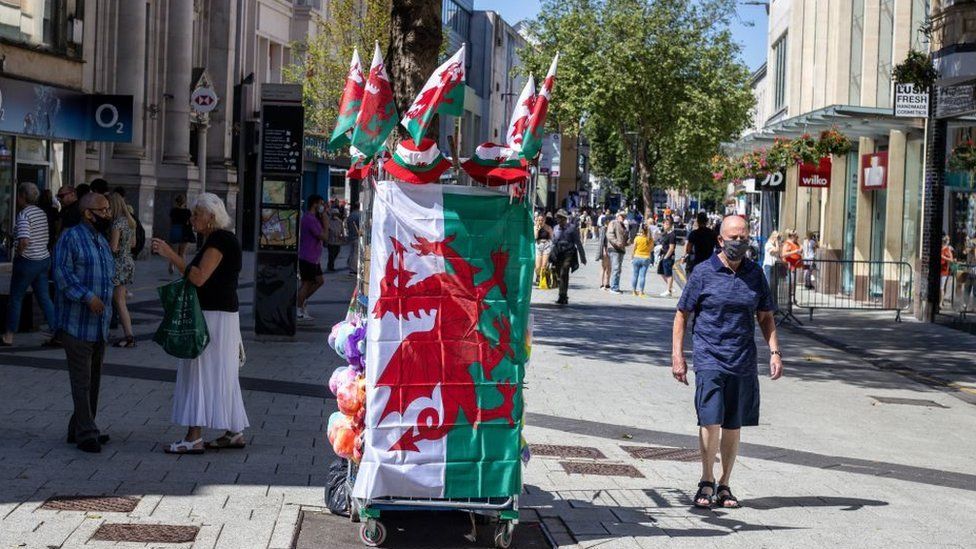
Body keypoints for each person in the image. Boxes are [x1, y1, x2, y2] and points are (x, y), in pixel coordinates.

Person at [671, 215, 783, 510]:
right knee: (710, 419)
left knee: (733, 424)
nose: (739, 242)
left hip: (743, 359)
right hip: (709, 357)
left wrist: (774, 352)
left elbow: (766, 316)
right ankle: (706, 479)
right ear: (720, 240)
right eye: (733, 237)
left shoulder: (755, 274)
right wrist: (678, 355)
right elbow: (682, 314)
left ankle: (724, 483)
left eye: (744, 237)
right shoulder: (703, 273)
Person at [151, 193, 249, 454]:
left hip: (212, 314)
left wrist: (171, 255)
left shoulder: (218, 240)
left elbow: (198, 277)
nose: (192, 219)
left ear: (211, 217)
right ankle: (233, 431)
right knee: (222, 371)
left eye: (197, 214)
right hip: (223, 313)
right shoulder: (221, 239)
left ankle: (193, 437)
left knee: (199, 370)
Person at [54, 192, 115, 453]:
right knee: (81, 380)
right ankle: (87, 433)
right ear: (88, 213)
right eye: (103, 210)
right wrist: (88, 297)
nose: (108, 214)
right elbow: (62, 274)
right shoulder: (70, 237)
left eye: (109, 209)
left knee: (93, 380)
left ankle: (78, 428)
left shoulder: (100, 240)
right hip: (77, 323)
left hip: (99, 325)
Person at [2, 183, 57, 347]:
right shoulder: (41, 213)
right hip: (43, 259)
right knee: (44, 297)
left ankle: (9, 335)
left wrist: (19, 251)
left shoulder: (24, 214)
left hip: (28, 261)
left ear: (22, 197)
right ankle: (57, 331)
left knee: (16, 298)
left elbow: (25, 240)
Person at [107, 192, 136, 348]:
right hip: (128, 262)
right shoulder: (129, 222)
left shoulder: (117, 224)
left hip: (117, 263)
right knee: (119, 300)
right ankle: (128, 335)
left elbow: (113, 247)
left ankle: (129, 336)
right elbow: (133, 244)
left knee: (118, 301)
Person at [298, 195, 328, 321]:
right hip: (307, 256)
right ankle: (298, 307)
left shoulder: (315, 218)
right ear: (315, 204)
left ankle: (300, 300)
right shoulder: (309, 219)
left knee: (319, 280)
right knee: (307, 282)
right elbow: (323, 236)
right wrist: (326, 224)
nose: (323, 206)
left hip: (314, 257)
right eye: (321, 203)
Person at [551, 210, 586, 305]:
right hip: (558, 253)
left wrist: (583, 257)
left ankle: (563, 296)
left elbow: (578, 242)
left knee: (564, 273)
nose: (559, 220)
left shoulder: (572, 228)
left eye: (560, 218)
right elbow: (553, 242)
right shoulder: (555, 228)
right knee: (558, 274)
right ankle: (562, 293)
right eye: (558, 218)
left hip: (568, 253)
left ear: (565, 219)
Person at [684, 212, 718, 277]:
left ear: (697, 221)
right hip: (709, 262)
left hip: (696, 262)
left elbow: (688, 249)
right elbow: (717, 247)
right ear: (706, 221)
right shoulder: (713, 233)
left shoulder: (693, 234)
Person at [168, 195, 193, 276]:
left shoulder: (173, 211)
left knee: (174, 251)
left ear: (176, 202)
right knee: (182, 253)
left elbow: (171, 220)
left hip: (175, 230)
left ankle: (171, 265)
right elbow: (189, 222)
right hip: (184, 232)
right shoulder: (187, 211)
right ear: (185, 202)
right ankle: (181, 270)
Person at [606, 211, 629, 294]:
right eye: (621, 216)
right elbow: (609, 235)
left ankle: (616, 286)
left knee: (618, 269)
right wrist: (617, 242)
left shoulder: (623, 226)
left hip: (621, 250)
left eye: (624, 216)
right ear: (617, 216)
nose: (623, 218)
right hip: (614, 248)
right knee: (616, 268)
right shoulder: (613, 223)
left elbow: (625, 238)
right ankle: (613, 287)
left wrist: (627, 241)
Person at [657, 218, 677, 297]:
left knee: (668, 273)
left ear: (671, 225)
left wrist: (666, 257)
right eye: (664, 223)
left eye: (667, 224)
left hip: (668, 256)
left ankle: (669, 290)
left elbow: (671, 248)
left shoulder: (672, 235)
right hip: (663, 255)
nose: (665, 225)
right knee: (661, 272)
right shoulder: (665, 233)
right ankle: (671, 287)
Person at [631, 223, 652, 297]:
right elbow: (650, 249)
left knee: (635, 275)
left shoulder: (637, 238)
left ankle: (633, 291)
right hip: (646, 258)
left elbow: (633, 249)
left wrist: (632, 257)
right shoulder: (649, 239)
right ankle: (641, 292)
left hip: (636, 256)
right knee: (642, 276)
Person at [533, 214, 554, 286]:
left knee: (543, 265)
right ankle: (538, 276)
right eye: (539, 220)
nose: (540, 221)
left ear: (545, 220)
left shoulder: (548, 228)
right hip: (538, 246)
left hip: (546, 246)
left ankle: (543, 279)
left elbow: (552, 238)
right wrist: (537, 230)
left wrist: (550, 245)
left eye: (542, 220)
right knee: (537, 267)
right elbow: (535, 238)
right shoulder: (535, 227)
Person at [346, 203, 362, 278]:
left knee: (352, 253)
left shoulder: (350, 215)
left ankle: (351, 267)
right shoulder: (358, 215)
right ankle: (354, 270)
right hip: (356, 236)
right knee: (355, 254)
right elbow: (360, 226)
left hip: (351, 236)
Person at [598, 217, 611, 290]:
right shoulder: (604, 229)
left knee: (608, 267)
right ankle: (602, 284)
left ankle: (607, 283)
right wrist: (603, 250)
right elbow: (601, 241)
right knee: (604, 267)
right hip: (605, 250)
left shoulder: (608, 229)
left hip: (609, 250)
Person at [941, 235, 955, 303]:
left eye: (946, 240)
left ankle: (941, 302)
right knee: (940, 288)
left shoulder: (948, 249)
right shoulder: (940, 248)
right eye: (945, 240)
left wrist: (943, 257)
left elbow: (951, 259)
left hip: (944, 270)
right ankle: (941, 301)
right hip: (938, 270)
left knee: (941, 288)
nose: (945, 241)